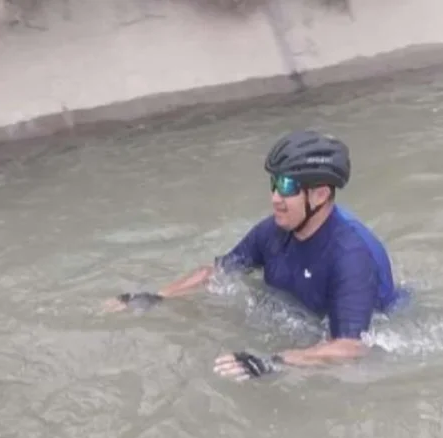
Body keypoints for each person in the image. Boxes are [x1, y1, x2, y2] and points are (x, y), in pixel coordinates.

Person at [104, 129, 405, 380]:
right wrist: (156, 297)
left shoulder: (351, 256)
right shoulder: (271, 232)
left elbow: (351, 348)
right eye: (274, 183)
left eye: (287, 186)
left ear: (320, 194)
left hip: (382, 328)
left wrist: (273, 362)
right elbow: (217, 272)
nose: (275, 197)